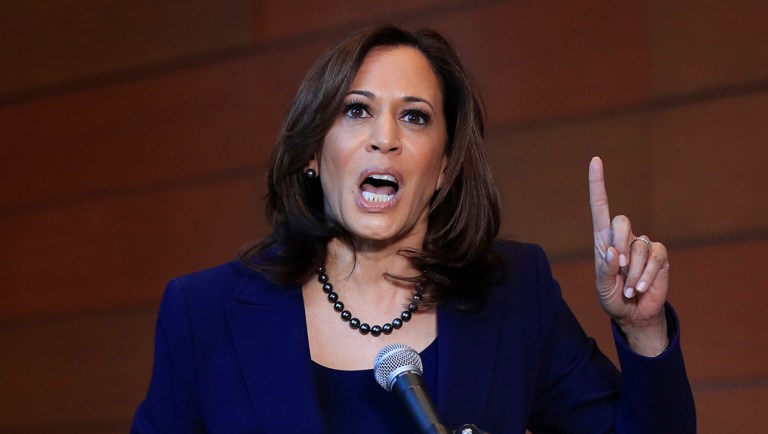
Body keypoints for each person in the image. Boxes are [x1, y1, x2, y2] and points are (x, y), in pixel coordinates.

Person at [131, 25, 695, 433]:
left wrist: (643, 331)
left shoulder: (515, 294)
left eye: (415, 115)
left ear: (443, 168)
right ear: (310, 152)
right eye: (356, 110)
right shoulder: (203, 313)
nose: (385, 137)